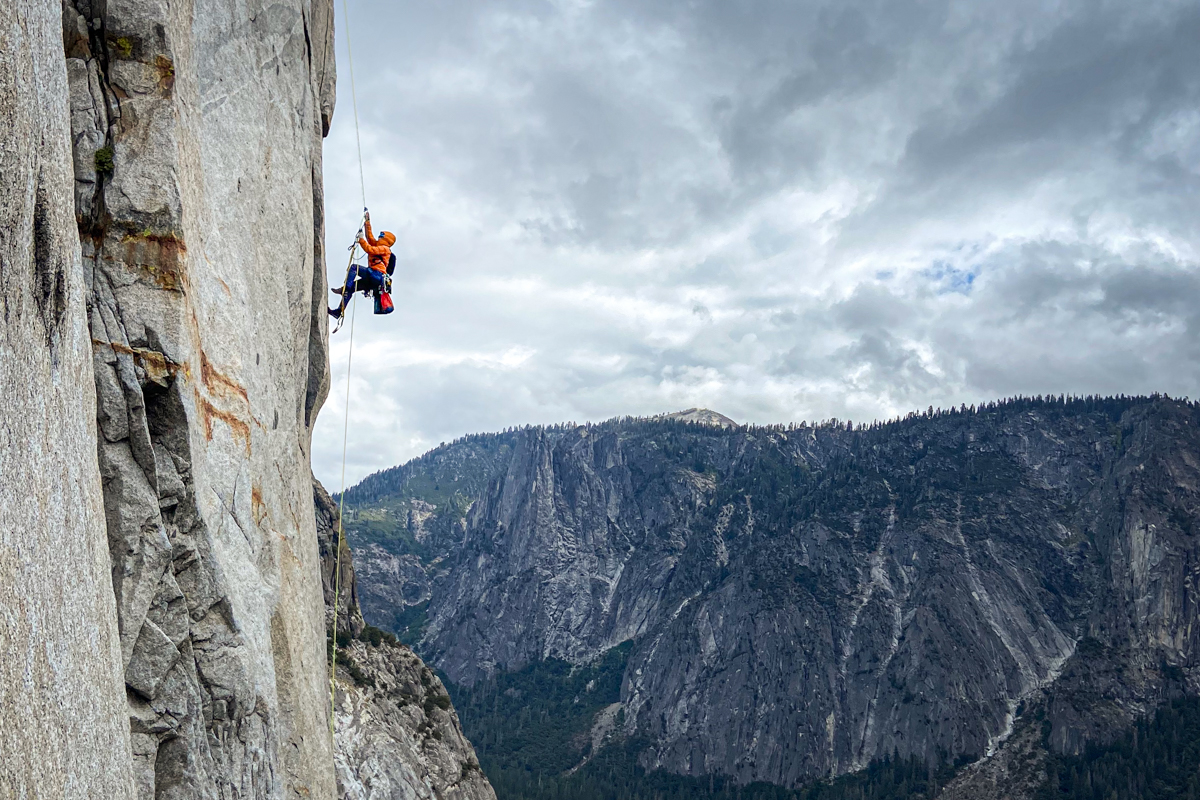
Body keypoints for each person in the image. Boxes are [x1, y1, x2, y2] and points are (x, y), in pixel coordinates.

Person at [329, 211, 396, 319]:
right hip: (374, 279)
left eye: (381, 237)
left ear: (385, 240)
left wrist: (360, 240)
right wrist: (367, 222)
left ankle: (345, 288)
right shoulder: (380, 246)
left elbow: (369, 249)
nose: (378, 238)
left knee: (354, 268)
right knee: (351, 289)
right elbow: (370, 238)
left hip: (376, 275)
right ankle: (338, 312)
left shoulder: (385, 249)